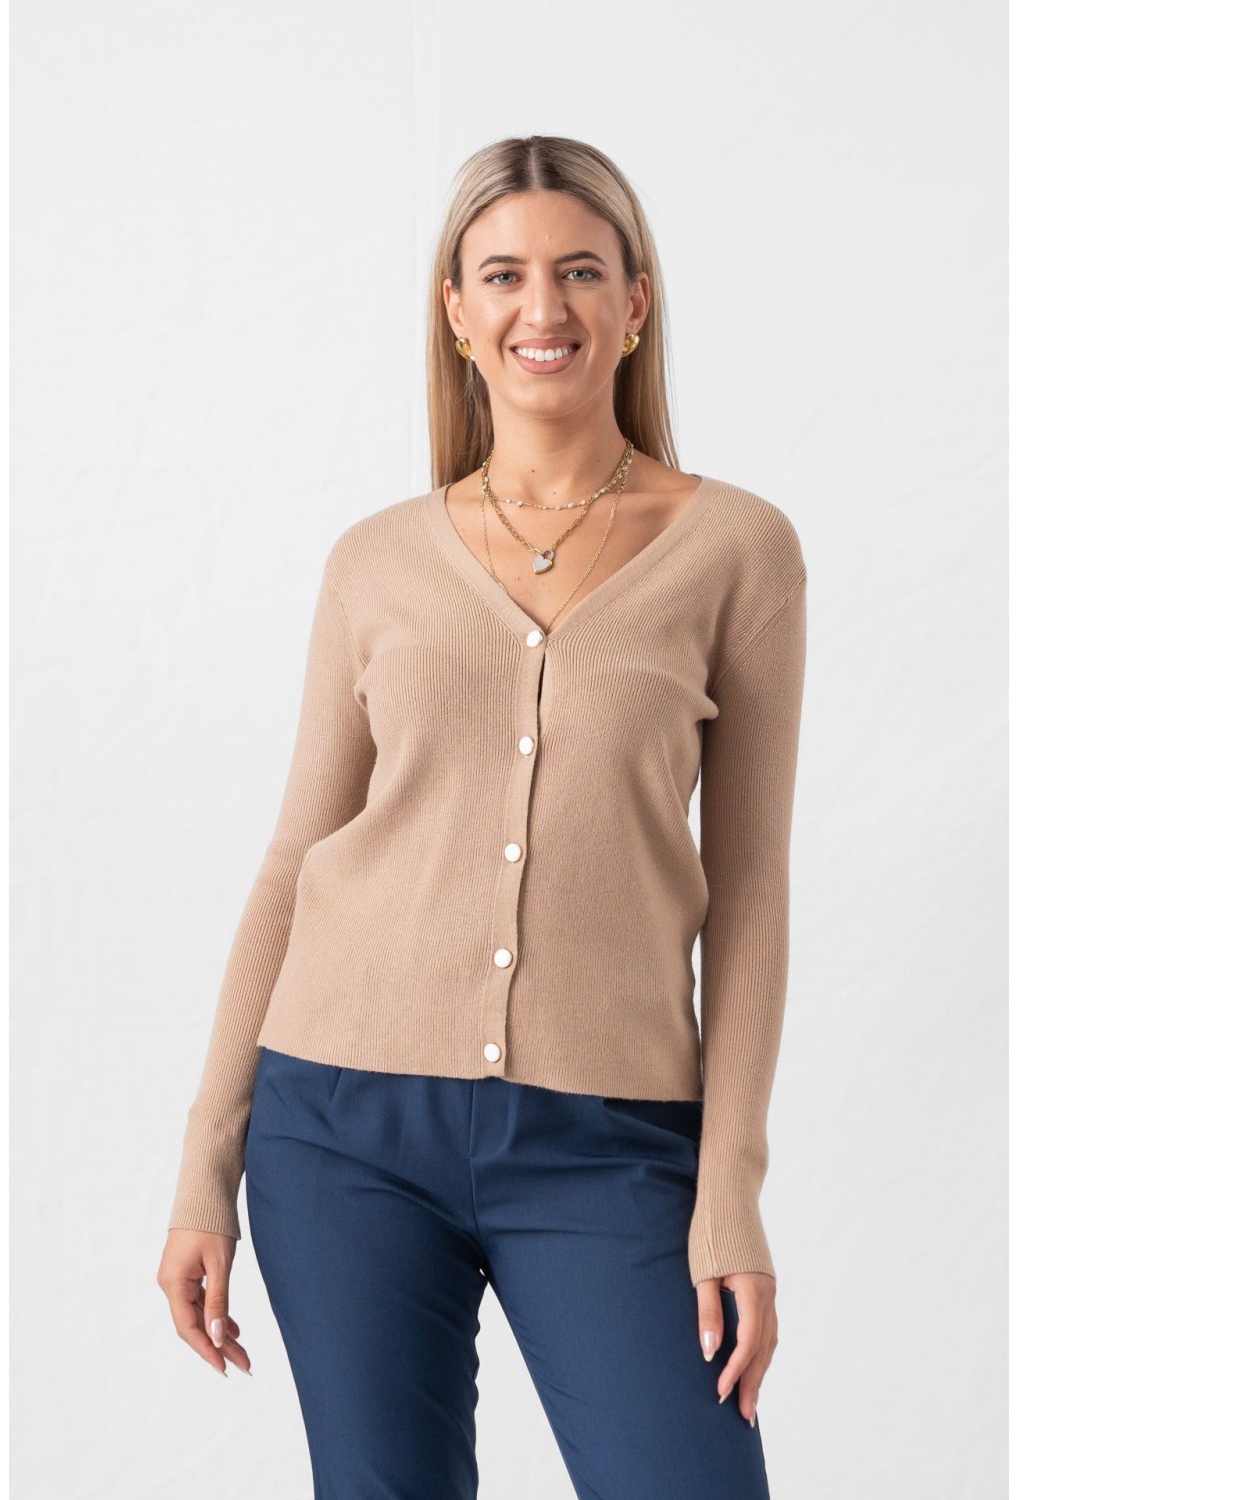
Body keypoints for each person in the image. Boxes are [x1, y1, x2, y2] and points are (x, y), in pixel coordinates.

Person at [156, 134, 808, 1499]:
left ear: (637, 301)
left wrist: (729, 1193)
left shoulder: (738, 549)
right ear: (456, 311)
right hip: (338, 1126)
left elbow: (749, 891)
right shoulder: (376, 560)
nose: (542, 307)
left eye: (581, 271)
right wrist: (206, 1165)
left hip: (609, 1138)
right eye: (503, 275)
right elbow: (294, 861)